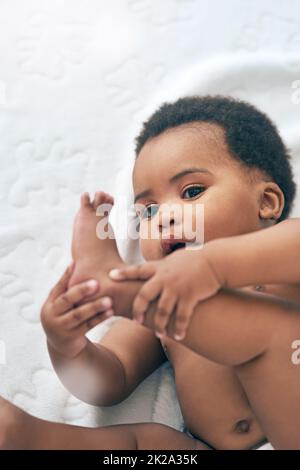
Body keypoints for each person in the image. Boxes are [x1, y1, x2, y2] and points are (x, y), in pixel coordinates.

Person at [1, 95, 300, 450]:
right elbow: (106, 382)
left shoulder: (284, 252)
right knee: (148, 443)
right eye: (148, 211)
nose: (162, 218)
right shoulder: (154, 312)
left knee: (274, 329)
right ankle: (25, 435)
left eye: (192, 191)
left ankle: (110, 280)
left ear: (267, 203)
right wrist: (66, 345)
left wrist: (211, 264)